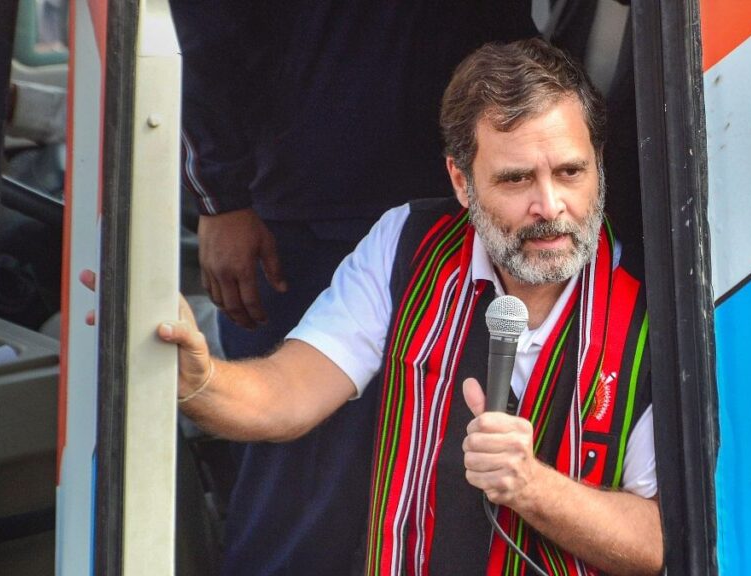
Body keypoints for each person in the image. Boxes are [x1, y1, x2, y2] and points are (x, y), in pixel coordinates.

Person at [160, 38, 662, 574]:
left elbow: (658, 541)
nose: (550, 206)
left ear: (598, 166)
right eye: (516, 179)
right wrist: (195, 380)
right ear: (461, 182)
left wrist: (532, 486)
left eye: (570, 172)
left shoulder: (654, 307)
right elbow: (286, 395)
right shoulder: (408, 242)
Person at [166, 2, 537, 573]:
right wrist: (222, 197)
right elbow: (201, 34)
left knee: (435, 472)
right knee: (301, 491)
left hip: (477, 203)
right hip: (306, 211)